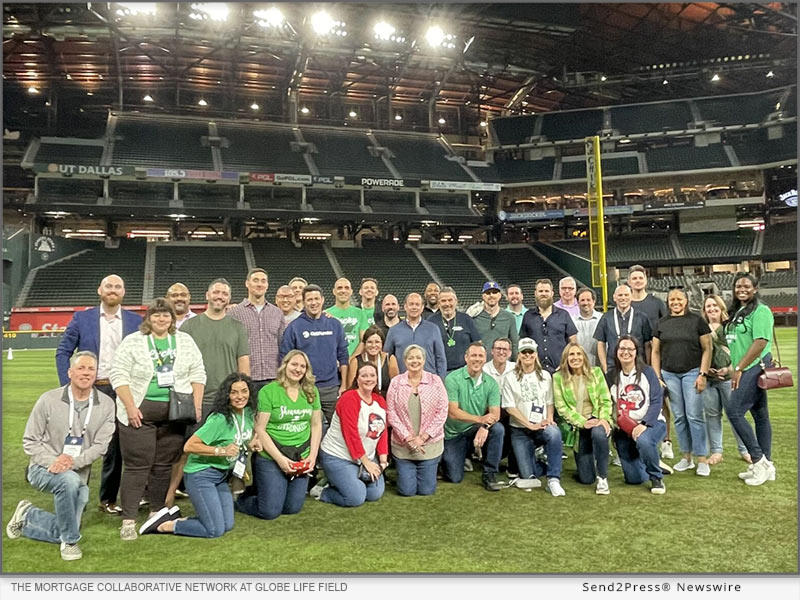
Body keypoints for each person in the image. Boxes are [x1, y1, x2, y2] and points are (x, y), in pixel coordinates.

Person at [110, 298, 207, 540]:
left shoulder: (184, 340)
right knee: (137, 466)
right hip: (139, 413)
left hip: (175, 413)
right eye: (156, 315)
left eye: (166, 315)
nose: (161, 319)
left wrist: (196, 404)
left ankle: (157, 512)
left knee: (164, 466)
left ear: (172, 318)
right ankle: (129, 520)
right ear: (148, 318)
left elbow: (198, 372)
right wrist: (130, 407)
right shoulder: (133, 341)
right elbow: (118, 375)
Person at [7, 352, 115, 561]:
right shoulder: (48, 399)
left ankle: (28, 514)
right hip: (42, 468)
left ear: (96, 374)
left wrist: (73, 462)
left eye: (91, 369)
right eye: (81, 368)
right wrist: (54, 461)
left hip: (78, 472)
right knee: (68, 483)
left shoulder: (107, 404)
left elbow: (101, 446)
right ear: (70, 372)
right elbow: (30, 441)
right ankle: (70, 542)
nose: (86, 373)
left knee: (69, 521)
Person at [55, 274, 141, 516]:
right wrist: (68, 385)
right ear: (99, 290)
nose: (113, 290)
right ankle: (72, 493)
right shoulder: (82, 318)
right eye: (108, 286)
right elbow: (63, 352)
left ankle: (108, 499)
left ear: (123, 292)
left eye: (118, 287)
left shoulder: (136, 321)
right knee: (78, 443)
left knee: (115, 447)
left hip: (122, 390)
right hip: (91, 388)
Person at [169, 278, 250, 504]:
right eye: (216, 292)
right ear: (207, 295)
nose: (219, 296)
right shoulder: (190, 327)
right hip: (198, 399)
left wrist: (244, 395)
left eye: (224, 293)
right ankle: (169, 495)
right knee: (186, 450)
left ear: (229, 298)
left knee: (231, 446)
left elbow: (243, 364)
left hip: (228, 400)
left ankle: (229, 488)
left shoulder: (237, 327)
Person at [153, 373, 261, 537]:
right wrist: (220, 451)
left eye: (244, 391)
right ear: (227, 395)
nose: (240, 396)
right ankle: (164, 525)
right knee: (214, 530)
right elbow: (189, 446)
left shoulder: (247, 413)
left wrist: (250, 445)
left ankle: (182, 519)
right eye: (234, 392)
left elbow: (236, 439)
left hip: (221, 476)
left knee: (227, 525)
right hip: (201, 475)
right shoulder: (219, 419)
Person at [237, 351, 322, 519]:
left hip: (300, 455)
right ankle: (242, 499)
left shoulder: (311, 391)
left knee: (292, 508)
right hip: (272, 456)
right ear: (285, 365)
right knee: (270, 512)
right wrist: (281, 460)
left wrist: (312, 457)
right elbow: (260, 429)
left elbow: (316, 424)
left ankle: (268, 490)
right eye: (294, 364)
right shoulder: (269, 391)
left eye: (302, 366)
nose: (298, 369)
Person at [651, 288, 712, 476]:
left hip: (692, 372)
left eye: (679, 299)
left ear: (686, 301)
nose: (675, 302)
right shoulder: (661, 323)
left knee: (694, 415)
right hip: (669, 374)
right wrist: (657, 376)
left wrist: (703, 374)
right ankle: (686, 457)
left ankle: (702, 459)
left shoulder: (697, 321)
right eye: (672, 299)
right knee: (679, 416)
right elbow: (655, 351)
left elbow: (707, 348)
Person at [724, 274, 777, 486]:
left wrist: (739, 368)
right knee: (760, 415)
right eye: (738, 286)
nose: (742, 289)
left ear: (755, 288)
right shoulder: (738, 310)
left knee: (734, 411)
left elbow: (760, 342)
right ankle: (767, 465)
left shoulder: (761, 310)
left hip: (753, 367)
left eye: (747, 286)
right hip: (745, 367)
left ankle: (758, 460)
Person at [315, 363, 388, 507]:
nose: (369, 379)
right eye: (364, 375)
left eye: (372, 375)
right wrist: (366, 463)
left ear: (377, 379)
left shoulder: (380, 400)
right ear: (357, 379)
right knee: (356, 497)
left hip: (365, 456)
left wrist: (383, 461)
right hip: (338, 456)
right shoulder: (349, 398)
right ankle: (323, 491)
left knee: (374, 494)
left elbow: (382, 431)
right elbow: (351, 434)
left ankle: (344, 480)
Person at [500, 338, 564, 496]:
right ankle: (540, 459)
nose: (527, 355)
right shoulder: (509, 377)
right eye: (524, 352)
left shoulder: (545, 376)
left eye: (531, 352)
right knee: (528, 476)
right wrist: (529, 424)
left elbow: (549, 402)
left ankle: (553, 479)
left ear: (536, 354)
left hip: (541, 426)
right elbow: (510, 407)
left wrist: (549, 418)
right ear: (519, 355)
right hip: (520, 430)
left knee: (554, 433)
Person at [280, 284, 348, 425]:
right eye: (309, 299)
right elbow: (284, 358)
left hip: (331, 387)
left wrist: (344, 385)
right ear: (303, 302)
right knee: (306, 427)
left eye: (316, 299)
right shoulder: (294, 327)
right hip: (304, 387)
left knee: (338, 427)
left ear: (322, 300)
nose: (313, 303)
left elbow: (343, 355)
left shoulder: (334, 324)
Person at [386, 345, 449, 496]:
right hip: (403, 446)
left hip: (429, 446)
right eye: (411, 358)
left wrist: (423, 438)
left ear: (424, 360)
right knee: (406, 491)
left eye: (418, 357)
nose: (415, 361)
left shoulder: (435, 381)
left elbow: (442, 411)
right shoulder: (396, 383)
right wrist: (408, 438)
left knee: (426, 490)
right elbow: (391, 412)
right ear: (405, 361)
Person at [442, 342, 505, 492]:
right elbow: (453, 412)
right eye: (473, 355)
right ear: (466, 358)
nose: (477, 359)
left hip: (475, 429)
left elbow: (495, 414)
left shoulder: (491, 383)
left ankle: (490, 473)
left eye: (480, 356)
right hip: (454, 434)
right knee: (454, 477)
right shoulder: (452, 378)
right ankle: (459, 457)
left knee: (498, 429)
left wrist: (485, 426)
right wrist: (480, 419)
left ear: (485, 358)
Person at [553, 343, 613, 494]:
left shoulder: (596, 373)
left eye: (578, 354)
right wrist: (583, 422)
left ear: (584, 357)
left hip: (597, 419)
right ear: (566, 358)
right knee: (586, 479)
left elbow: (606, 400)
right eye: (571, 354)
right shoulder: (558, 378)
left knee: (599, 432)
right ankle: (589, 461)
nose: (575, 358)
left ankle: (602, 478)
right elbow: (562, 408)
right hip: (579, 427)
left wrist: (603, 419)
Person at [610, 335, 667, 494]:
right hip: (625, 428)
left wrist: (644, 424)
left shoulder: (648, 372)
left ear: (636, 352)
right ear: (616, 351)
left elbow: (656, 401)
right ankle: (653, 459)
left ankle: (656, 478)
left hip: (652, 423)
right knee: (634, 479)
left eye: (630, 349)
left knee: (644, 440)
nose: (626, 352)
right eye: (622, 348)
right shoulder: (611, 376)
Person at [628, 265, 672, 459]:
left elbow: (667, 326)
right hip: (631, 362)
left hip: (655, 359)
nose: (638, 281)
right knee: (633, 402)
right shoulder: (626, 302)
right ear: (629, 282)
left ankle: (666, 441)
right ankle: (636, 440)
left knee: (661, 401)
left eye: (640, 278)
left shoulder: (656, 303)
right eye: (634, 278)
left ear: (645, 280)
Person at [701, 294, 750, 465]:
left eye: (715, 305)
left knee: (735, 414)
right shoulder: (701, 328)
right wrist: (706, 369)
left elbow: (739, 349)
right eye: (708, 306)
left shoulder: (730, 326)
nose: (712, 309)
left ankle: (745, 449)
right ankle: (716, 451)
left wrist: (729, 369)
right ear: (704, 310)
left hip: (728, 377)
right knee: (712, 415)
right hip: (709, 379)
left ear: (721, 307)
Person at [229, 268, 286, 391]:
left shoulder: (277, 313)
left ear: (267, 285)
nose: (259, 284)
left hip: (273, 377)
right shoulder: (234, 313)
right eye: (255, 280)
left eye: (263, 281)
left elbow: (282, 345)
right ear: (247, 283)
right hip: (246, 378)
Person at [384, 293, 447, 380]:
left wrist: (440, 380)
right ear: (405, 307)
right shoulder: (394, 330)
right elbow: (387, 358)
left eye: (417, 304)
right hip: (403, 382)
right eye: (411, 304)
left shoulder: (433, 329)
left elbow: (440, 358)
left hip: (429, 381)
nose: (414, 307)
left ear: (422, 308)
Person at [594, 284, 652, 378]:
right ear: (614, 297)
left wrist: (648, 365)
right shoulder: (606, 318)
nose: (623, 298)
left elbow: (648, 344)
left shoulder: (642, 317)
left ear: (631, 297)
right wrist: (605, 366)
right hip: (613, 366)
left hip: (638, 365)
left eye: (626, 295)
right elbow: (600, 343)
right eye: (620, 295)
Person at [520, 278, 577, 373]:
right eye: (540, 291)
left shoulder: (563, 315)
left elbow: (573, 342)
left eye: (546, 291)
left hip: (561, 370)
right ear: (535, 293)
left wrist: (565, 363)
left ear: (552, 293)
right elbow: (523, 342)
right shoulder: (528, 316)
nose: (543, 294)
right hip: (535, 370)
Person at [428, 286, 481, 374]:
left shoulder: (466, 319)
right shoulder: (431, 321)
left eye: (450, 300)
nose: (447, 304)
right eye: (443, 301)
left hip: (464, 371)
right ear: (438, 303)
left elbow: (477, 344)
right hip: (439, 372)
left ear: (456, 301)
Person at [347, 325, 399, 396]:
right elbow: (351, 389)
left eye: (377, 342)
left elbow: (395, 386)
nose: (373, 345)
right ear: (364, 344)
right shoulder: (355, 361)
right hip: (362, 400)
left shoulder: (390, 359)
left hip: (385, 400)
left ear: (382, 344)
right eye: (369, 342)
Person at [474, 282, 519, 359]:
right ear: (483, 296)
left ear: (500, 295)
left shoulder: (509, 317)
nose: (491, 295)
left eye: (494, 292)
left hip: (503, 363)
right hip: (481, 363)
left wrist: (516, 362)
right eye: (488, 293)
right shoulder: (475, 317)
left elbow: (514, 343)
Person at [326, 277, 369, 358]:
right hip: (332, 360)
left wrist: (352, 359)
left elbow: (364, 341)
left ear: (351, 291)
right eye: (339, 288)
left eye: (346, 288)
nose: (343, 291)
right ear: (334, 291)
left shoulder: (360, 313)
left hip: (355, 361)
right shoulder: (326, 314)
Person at [572, 287, 602, 367]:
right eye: (582, 300)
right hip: (578, 366)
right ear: (577, 302)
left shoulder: (602, 319)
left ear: (594, 301)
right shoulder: (572, 321)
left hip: (599, 366)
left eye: (588, 300)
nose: (585, 303)